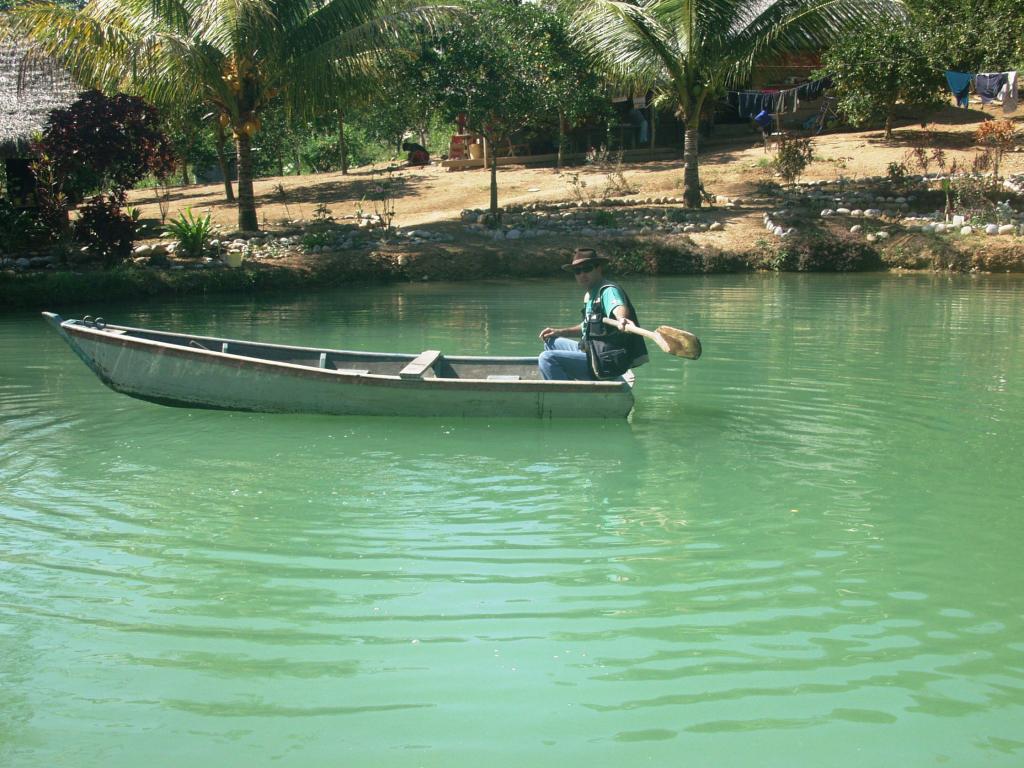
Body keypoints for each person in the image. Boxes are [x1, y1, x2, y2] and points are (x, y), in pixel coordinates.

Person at [538, 248, 648, 380]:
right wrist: (560, 332)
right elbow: (587, 327)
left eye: (587, 269)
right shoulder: (589, 295)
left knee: (547, 358)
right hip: (591, 351)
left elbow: (618, 307)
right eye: (577, 271)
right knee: (551, 341)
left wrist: (622, 319)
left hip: (604, 361)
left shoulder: (608, 291)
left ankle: (566, 395)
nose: (582, 274)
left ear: (599, 269)